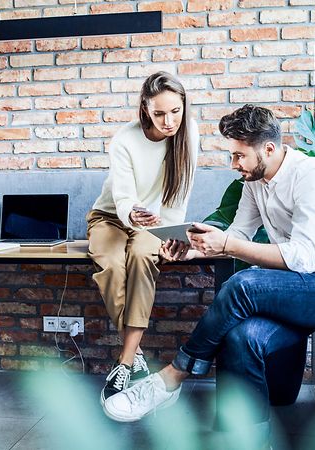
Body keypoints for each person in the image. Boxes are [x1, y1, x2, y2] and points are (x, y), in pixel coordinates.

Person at [102, 105, 315, 445]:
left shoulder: (312, 177)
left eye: (239, 156)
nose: (234, 165)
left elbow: (301, 258)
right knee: (239, 337)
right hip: (302, 288)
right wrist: (193, 250)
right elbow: (239, 235)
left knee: (244, 284)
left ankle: (173, 375)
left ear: (269, 149)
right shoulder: (256, 181)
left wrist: (226, 243)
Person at [87, 71, 199, 405]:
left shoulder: (189, 133)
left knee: (140, 257)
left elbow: (179, 195)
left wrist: (172, 235)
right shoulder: (125, 139)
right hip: (111, 215)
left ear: (183, 106)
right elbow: (122, 197)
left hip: (156, 222)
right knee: (109, 264)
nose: (169, 121)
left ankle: (124, 361)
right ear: (145, 109)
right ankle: (134, 354)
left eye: (175, 111)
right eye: (160, 113)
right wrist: (131, 212)